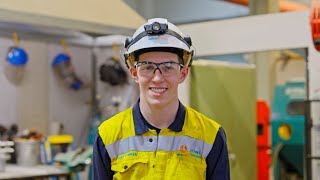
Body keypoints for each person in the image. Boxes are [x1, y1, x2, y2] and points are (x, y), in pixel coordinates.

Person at [93, 18, 230, 180]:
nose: (157, 78)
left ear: (183, 74)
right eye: (148, 67)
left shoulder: (210, 135)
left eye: (168, 67)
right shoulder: (108, 135)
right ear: (135, 74)